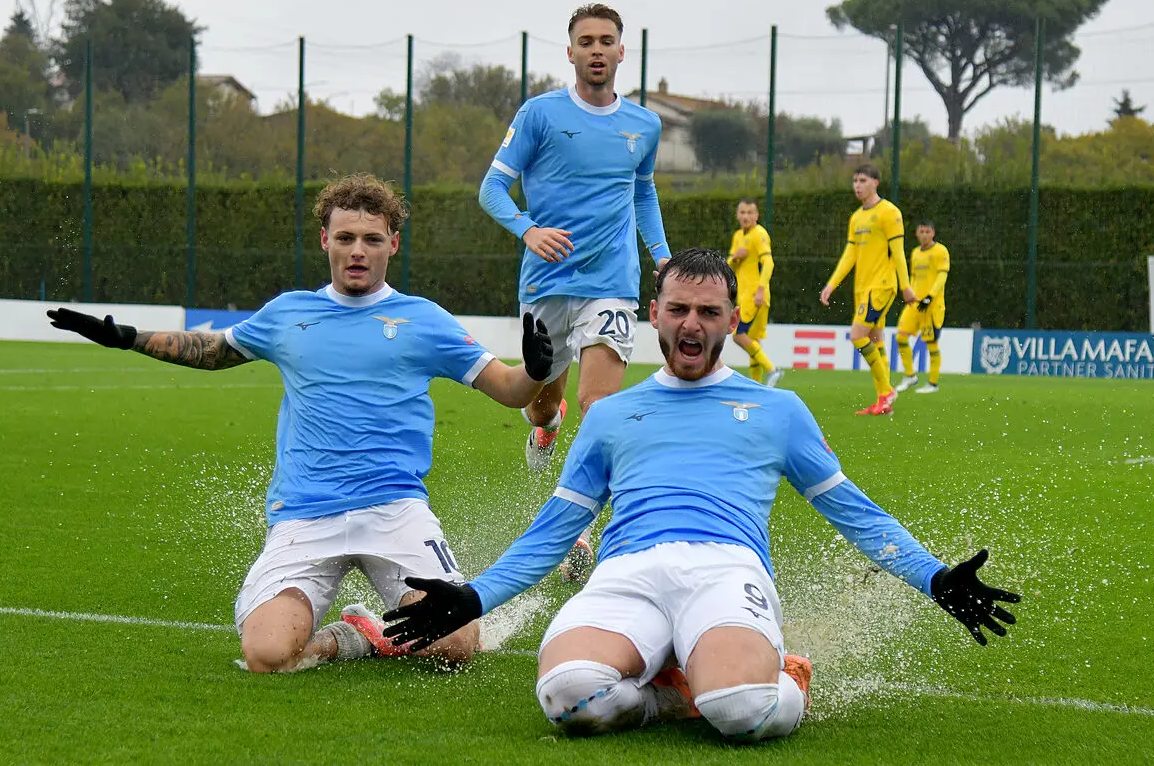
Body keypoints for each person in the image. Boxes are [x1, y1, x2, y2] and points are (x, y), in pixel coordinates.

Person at [383, 248, 1019, 745]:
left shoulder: (779, 410)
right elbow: (554, 531)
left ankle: (781, 676)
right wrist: (473, 598)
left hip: (726, 569)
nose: (692, 324)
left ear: (732, 321)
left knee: (741, 710)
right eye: (679, 309)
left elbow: (854, 512)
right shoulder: (610, 416)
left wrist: (935, 578)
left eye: (709, 313)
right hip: (626, 572)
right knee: (569, 698)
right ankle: (672, 693)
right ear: (654, 314)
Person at [47, 174, 556, 674]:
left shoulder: (423, 319)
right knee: (267, 655)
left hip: (395, 508)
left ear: (393, 244)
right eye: (345, 238)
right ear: (324, 240)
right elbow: (213, 351)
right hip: (306, 514)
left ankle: (381, 630)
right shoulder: (287, 314)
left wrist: (534, 371)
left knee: (455, 645)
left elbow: (509, 390)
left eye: (372, 239)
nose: (358, 251)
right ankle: (353, 638)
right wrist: (129, 339)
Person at [478, 2, 672, 580]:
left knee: (600, 406)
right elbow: (492, 189)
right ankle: (547, 422)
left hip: (612, 283)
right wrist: (527, 230)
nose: (596, 49)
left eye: (605, 40)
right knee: (541, 401)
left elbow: (643, 193)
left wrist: (662, 257)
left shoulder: (644, 125)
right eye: (585, 41)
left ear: (621, 52)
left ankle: (577, 527)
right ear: (570, 52)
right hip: (546, 283)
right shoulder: (539, 114)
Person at [819, 164, 917, 416]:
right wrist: (832, 284)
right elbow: (849, 254)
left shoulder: (889, 213)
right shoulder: (856, 218)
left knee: (857, 335)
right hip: (862, 288)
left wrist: (906, 287)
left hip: (882, 286)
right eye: (855, 181)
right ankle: (884, 402)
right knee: (875, 340)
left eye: (863, 180)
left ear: (876, 182)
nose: (857, 186)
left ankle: (886, 391)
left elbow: (899, 253)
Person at [727, 198, 781, 386]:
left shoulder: (759, 234)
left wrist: (760, 290)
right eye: (742, 212)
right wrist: (735, 257)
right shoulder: (738, 236)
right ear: (737, 215)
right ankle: (757, 386)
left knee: (738, 335)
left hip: (754, 295)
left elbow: (769, 263)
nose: (746, 216)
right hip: (744, 296)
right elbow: (729, 268)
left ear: (757, 215)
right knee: (753, 340)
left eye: (750, 212)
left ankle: (772, 369)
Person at [896, 220, 950, 394]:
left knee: (931, 343)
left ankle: (933, 383)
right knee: (900, 337)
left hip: (932, 306)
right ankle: (910, 376)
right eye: (921, 231)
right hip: (915, 304)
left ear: (933, 233)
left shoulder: (941, 251)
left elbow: (942, 277)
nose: (924, 235)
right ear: (917, 234)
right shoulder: (915, 253)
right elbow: (914, 278)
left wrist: (930, 297)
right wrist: (910, 293)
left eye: (927, 231)